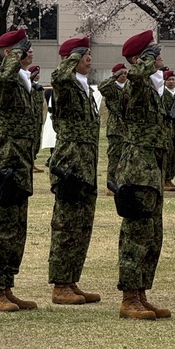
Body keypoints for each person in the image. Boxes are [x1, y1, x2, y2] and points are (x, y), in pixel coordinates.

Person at [110, 29, 172, 320]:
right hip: (137, 167)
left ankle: (142, 293)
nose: (158, 55)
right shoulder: (136, 84)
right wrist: (145, 60)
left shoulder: (152, 86)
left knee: (152, 234)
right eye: (152, 51)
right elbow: (134, 75)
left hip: (152, 167)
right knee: (136, 234)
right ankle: (129, 298)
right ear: (139, 58)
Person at [0, 29, 40, 312]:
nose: (29, 50)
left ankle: (6, 286)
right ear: (8, 53)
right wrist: (14, 56)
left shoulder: (24, 80)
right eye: (21, 47)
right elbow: (4, 76)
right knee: (1, 230)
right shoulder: (3, 78)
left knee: (16, 229)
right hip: (3, 163)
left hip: (20, 163)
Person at [47, 36, 101, 305]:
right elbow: (58, 76)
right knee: (66, 225)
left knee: (82, 225)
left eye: (89, 54)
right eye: (83, 55)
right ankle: (60, 284)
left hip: (86, 163)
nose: (89, 59)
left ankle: (71, 279)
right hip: (70, 164)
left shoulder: (84, 87)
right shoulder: (66, 85)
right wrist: (71, 58)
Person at [98, 63, 128, 191]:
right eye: (121, 73)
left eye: (125, 73)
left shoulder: (129, 87)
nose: (124, 76)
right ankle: (112, 184)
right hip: (116, 127)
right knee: (115, 157)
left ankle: (123, 183)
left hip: (128, 127)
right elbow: (101, 87)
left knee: (126, 157)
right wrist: (114, 77)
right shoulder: (112, 88)